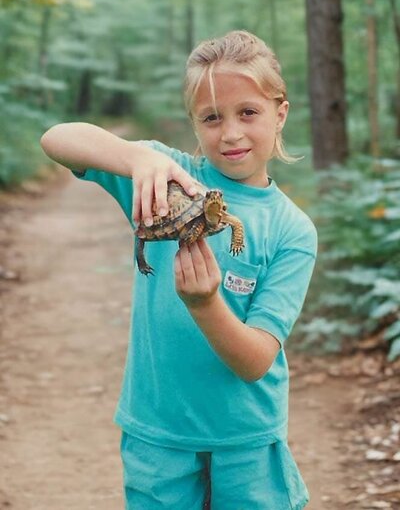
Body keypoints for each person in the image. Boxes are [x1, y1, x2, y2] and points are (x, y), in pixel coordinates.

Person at [40, 30, 317, 509]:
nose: (230, 132)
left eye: (247, 112)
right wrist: (137, 156)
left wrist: (205, 304)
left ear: (280, 113)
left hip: (246, 437)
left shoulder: (292, 230)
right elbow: (57, 139)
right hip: (158, 428)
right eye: (212, 118)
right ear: (194, 123)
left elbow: (256, 361)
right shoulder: (163, 177)